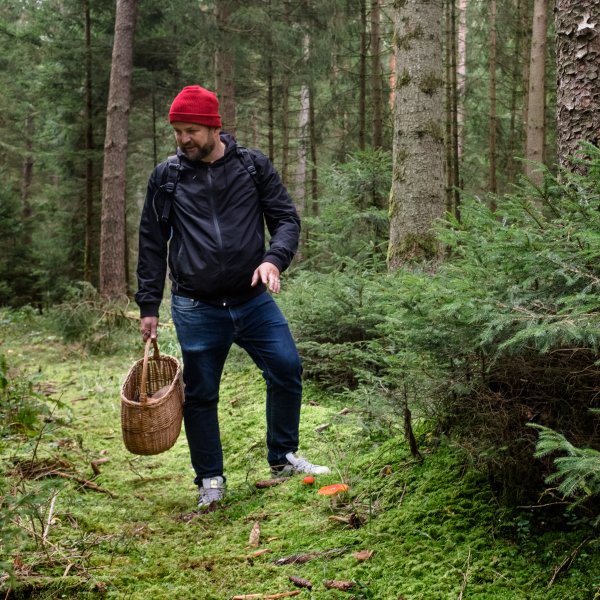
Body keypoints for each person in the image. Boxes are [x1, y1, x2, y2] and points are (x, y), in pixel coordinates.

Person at [135, 85, 330, 508]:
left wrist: (274, 260)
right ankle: (210, 480)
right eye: (177, 131)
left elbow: (285, 220)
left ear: (213, 127)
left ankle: (283, 457)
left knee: (286, 367)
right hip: (195, 306)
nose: (183, 139)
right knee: (201, 393)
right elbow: (152, 242)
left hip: (252, 299)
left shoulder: (252, 166)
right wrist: (148, 305)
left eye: (190, 130)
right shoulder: (167, 178)